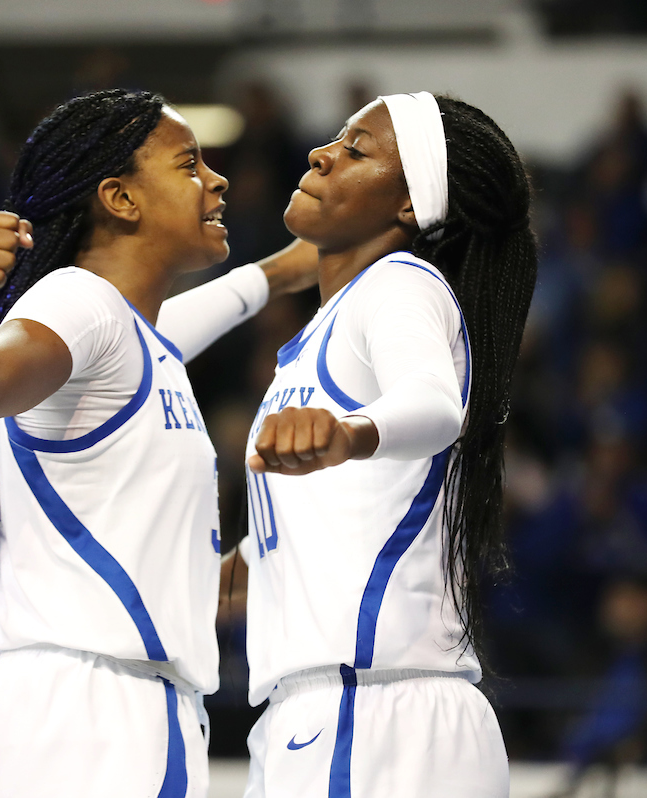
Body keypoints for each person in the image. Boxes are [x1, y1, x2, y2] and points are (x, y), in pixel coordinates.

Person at [0, 89, 315, 797]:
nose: (214, 179)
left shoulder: (140, 341)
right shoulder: (81, 305)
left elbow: (236, 295)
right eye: (189, 164)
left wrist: (302, 264)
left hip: (89, 708)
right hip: (91, 718)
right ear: (120, 199)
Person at [233, 92, 537, 797]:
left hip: (373, 716)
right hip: (337, 712)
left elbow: (433, 403)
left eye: (357, 150)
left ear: (408, 207)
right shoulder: (320, 335)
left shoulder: (398, 285)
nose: (322, 153)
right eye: (336, 138)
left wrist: (349, 433)